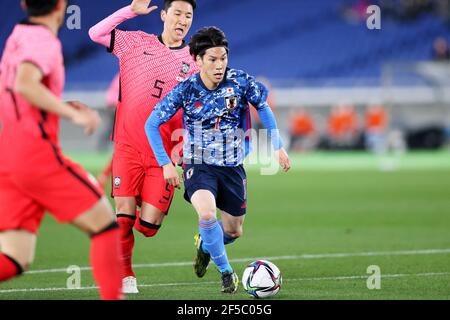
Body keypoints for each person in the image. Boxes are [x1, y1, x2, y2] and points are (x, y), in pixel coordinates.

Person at [145, 27, 291, 293]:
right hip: (198, 164)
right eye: (212, 59)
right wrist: (165, 163)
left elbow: (263, 106)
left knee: (234, 231)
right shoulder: (186, 90)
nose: (219, 65)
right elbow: (152, 124)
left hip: (232, 167)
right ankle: (226, 273)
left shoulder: (240, 81)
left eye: (223, 58)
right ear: (197, 60)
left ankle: (205, 245)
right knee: (207, 213)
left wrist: (277, 146)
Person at [0, 0, 123, 300]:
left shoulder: (17, 36)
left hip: (9, 155)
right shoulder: (44, 40)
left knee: (16, 258)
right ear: (60, 6)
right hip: (35, 156)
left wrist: (58, 108)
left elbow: (20, 95)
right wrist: (73, 115)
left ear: (24, 4)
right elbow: (25, 84)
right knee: (106, 226)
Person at [89, 0, 199, 293]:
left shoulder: (195, 61)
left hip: (162, 156)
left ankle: (137, 205)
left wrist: (186, 156)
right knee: (123, 215)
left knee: (148, 227)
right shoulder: (134, 42)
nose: (182, 20)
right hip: (126, 147)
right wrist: (130, 11)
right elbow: (95, 34)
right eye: (177, 13)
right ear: (163, 15)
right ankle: (125, 274)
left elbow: (192, 114)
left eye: (188, 16)